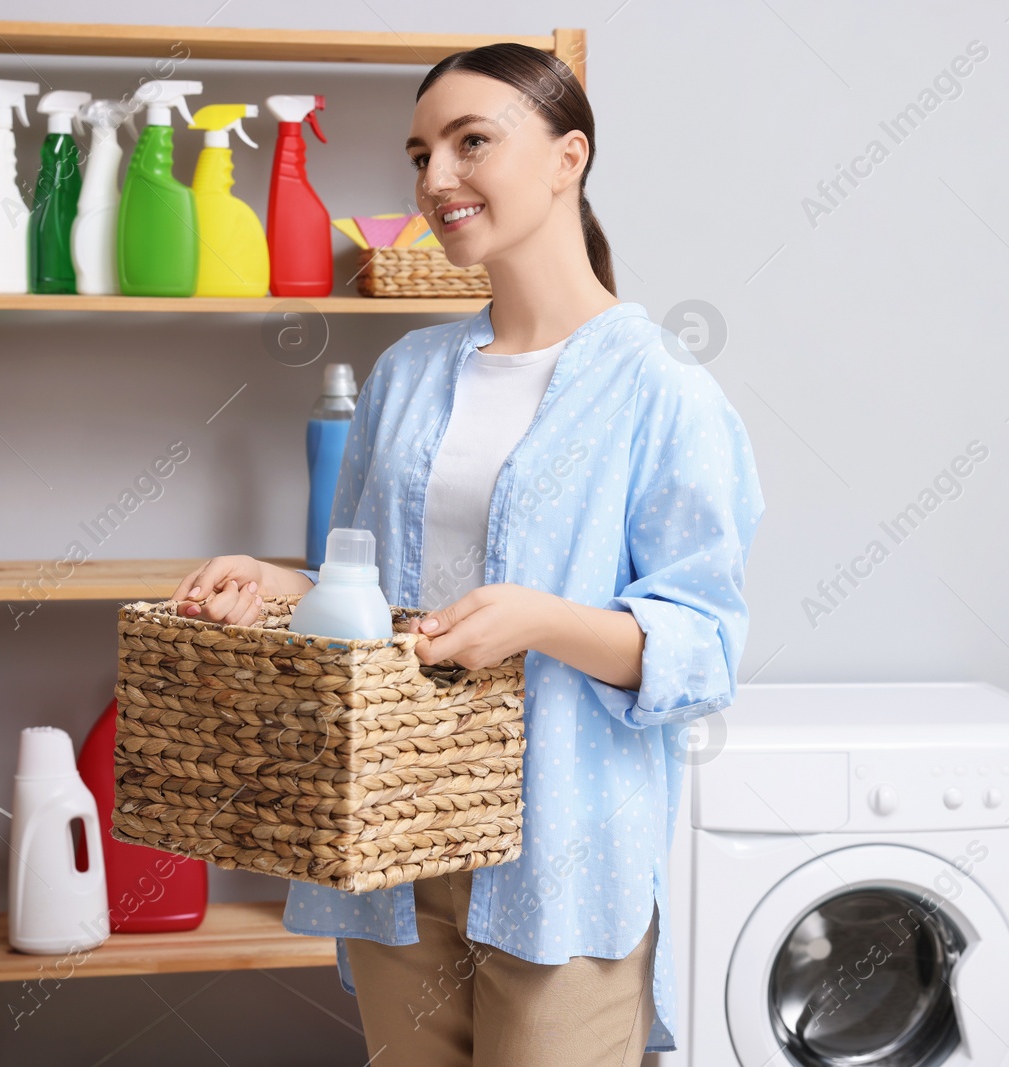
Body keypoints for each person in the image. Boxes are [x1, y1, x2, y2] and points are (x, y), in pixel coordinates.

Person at [172, 41, 764, 1067]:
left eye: (470, 142)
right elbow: (372, 594)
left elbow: (702, 648)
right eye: (419, 153)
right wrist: (286, 586)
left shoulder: (662, 390)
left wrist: (540, 620)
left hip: (562, 861)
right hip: (399, 846)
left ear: (566, 157)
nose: (434, 179)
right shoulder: (408, 372)